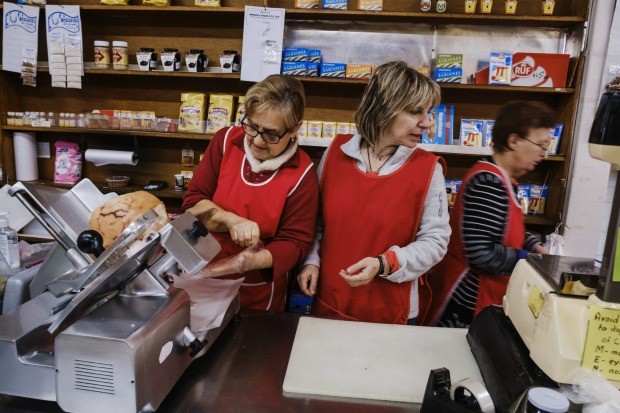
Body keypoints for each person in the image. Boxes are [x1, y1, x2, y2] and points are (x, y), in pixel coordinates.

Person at [296, 61, 451, 325]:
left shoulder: (428, 169)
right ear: (383, 109)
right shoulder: (337, 153)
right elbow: (317, 221)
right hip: (331, 298)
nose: (427, 123)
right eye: (416, 112)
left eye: (429, 112)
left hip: (391, 309)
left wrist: (385, 263)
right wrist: (311, 261)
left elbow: (436, 242)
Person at [182, 74, 319, 312]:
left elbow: (295, 242)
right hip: (201, 276)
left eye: (270, 134)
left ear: (295, 128)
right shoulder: (225, 142)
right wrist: (230, 219)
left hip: (256, 291)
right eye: (252, 126)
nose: (257, 140)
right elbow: (193, 202)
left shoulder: (302, 174)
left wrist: (249, 261)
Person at [423, 100, 554, 328]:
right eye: (541, 145)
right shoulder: (488, 183)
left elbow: (507, 229)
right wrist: (531, 260)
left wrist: (534, 246)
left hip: (484, 299)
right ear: (514, 141)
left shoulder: (505, 179)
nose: (544, 153)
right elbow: (481, 254)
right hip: (466, 306)